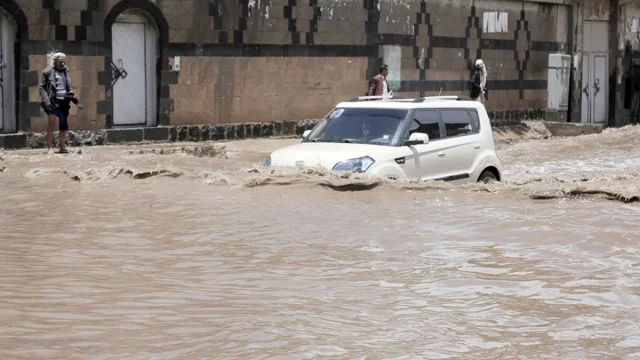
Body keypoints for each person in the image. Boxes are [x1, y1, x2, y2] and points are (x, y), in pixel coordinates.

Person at [39, 51, 78, 154]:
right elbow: (41, 88)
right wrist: (47, 103)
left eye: (63, 62)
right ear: (55, 62)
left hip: (64, 102)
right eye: (60, 62)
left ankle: (62, 147)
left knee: (63, 126)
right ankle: (49, 148)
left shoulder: (66, 71)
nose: (62, 64)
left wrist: (72, 95)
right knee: (51, 125)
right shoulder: (47, 72)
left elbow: (68, 86)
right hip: (53, 101)